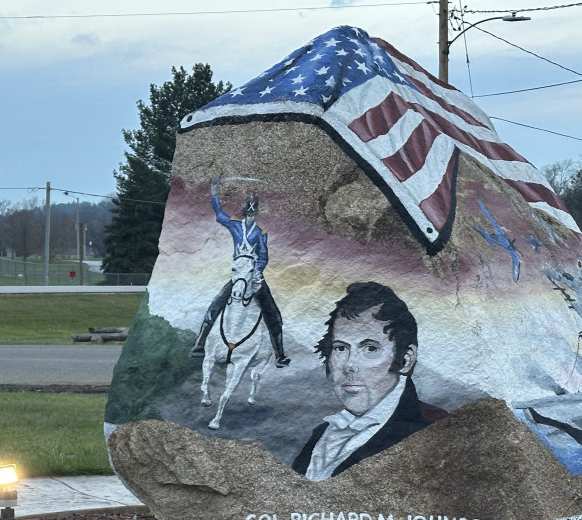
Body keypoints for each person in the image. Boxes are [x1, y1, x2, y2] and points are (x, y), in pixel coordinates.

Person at [292, 281, 447, 481]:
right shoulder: (322, 434)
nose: (349, 365)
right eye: (340, 348)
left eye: (370, 349)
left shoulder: (434, 431)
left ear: (405, 360)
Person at [189, 178, 289, 366]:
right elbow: (218, 213)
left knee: (272, 313)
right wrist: (214, 190)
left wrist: (258, 270)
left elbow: (263, 254)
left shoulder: (261, 232)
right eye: (248, 211)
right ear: (245, 212)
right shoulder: (235, 225)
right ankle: (200, 343)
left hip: (253, 274)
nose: (251, 214)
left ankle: (280, 354)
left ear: (257, 212)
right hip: (238, 273)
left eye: (254, 211)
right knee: (217, 303)